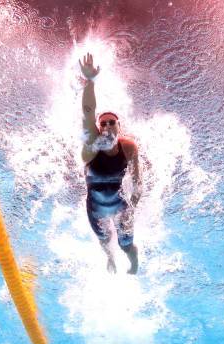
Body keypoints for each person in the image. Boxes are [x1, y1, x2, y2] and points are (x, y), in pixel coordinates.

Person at [79, 52, 142, 274]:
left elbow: (137, 182)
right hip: (95, 207)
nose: (106, 126)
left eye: (111, 122)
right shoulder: (92, 145)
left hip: (119, 204)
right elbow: (88, 112)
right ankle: (109, 259)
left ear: (118, 126)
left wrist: (132, 207)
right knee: (105, 242)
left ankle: (133, 263)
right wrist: (90, 82)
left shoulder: (128, 147)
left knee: (127, 245)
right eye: (102, 123)